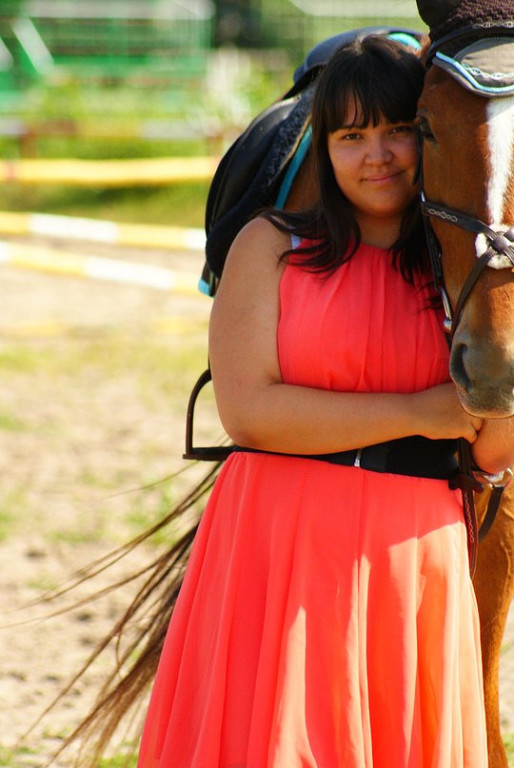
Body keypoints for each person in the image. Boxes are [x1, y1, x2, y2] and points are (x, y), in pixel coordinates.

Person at [133, 34, 513, 768]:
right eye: (351, 135)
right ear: (324, 147)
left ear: (427, 135)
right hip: (280, 547)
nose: (378, 155)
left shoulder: (463, 278)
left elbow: (491, 453)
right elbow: (248, 413)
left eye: (398, 130)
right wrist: (421, 413)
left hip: (413, 561)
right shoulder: (267, 247)